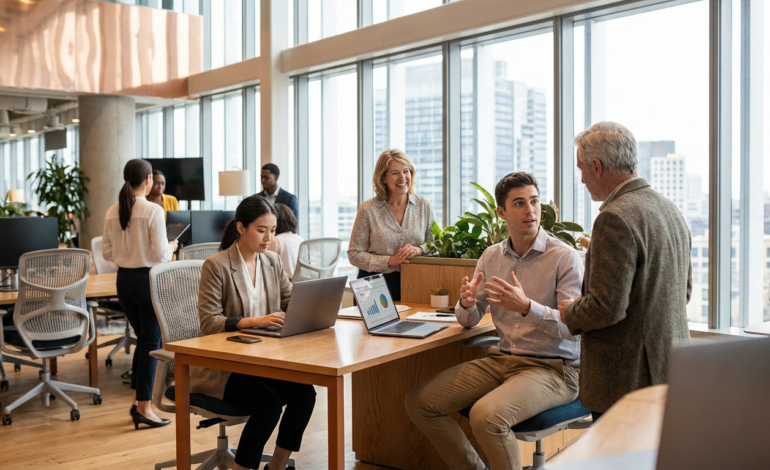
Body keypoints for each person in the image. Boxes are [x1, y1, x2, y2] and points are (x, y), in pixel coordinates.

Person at [405, 172, 583, 470]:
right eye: (519, 203)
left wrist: (527, 307)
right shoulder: (491, 257)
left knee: (486, 416)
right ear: (501, 212)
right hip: (503, 361)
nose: (531, 210)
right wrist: (466, 302)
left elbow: (572, 329)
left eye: (534, 201)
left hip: (554, 369)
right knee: (421, 402)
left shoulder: (564, 258)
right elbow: (468, 320)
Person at [559, 121, 692, 420]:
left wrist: (570, 312)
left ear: (597, 166)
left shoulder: (614, 218)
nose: (581, 179)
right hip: (669, 370)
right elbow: (683, 291)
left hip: (625, 381)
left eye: (581, 169)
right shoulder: (669, 209)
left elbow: (607, 308)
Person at [192, 195, 316, 470]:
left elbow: (289, 302)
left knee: (305, 394)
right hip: (223, 365)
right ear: (240, 227)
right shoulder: (217, 266)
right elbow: (209, 322)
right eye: (261, 230)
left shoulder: (271, 261)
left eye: (272, 230)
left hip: (263, 358)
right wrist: (255, 321)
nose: (268, 237)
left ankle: (277, 466)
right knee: (268, 406)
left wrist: (311, 307)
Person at [102, 159, 178, 429]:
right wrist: (171, 245)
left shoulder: (113, 210)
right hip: (148, 281)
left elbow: (107, 254)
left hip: (124, 282)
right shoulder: (152, 210)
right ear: (148, 180)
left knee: (144, 340)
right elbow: (160, 255)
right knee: (150, 344)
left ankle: (139, 403)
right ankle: (144, 407)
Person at [348, 149, 434, 301]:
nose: (402, 178)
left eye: (406, 171)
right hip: (372, 286)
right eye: (395, 173)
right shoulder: (368, 209)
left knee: (413, 324)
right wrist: (389, 261)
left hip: (413, 282)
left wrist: (419, 249)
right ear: (383, 178)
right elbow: (354, 254)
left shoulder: (423, 205)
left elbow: (435, 245)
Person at [268, 203, 304, 279]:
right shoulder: (300, 239)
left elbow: (265, 267)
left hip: (284, 284)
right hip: (302, 283)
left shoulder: (276, 240)